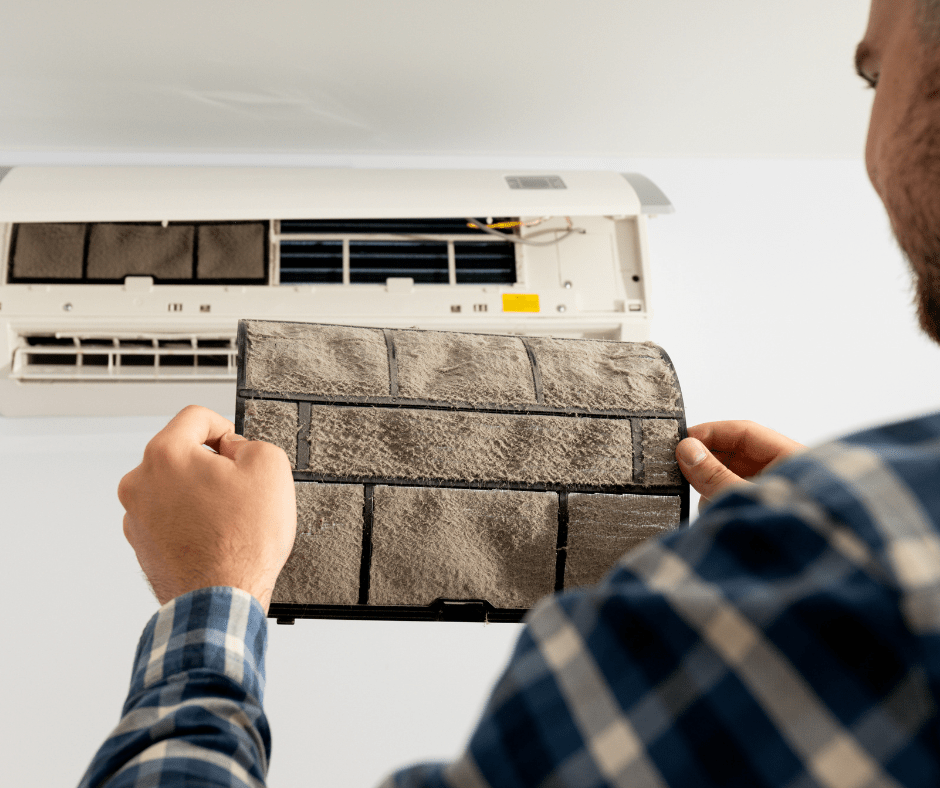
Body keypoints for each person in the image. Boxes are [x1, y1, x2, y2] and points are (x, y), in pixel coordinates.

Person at [78, 0, 940, 785]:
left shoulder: (863, 562)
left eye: (873, 74)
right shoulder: (871, 552)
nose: (869, 141)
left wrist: (210, 596)